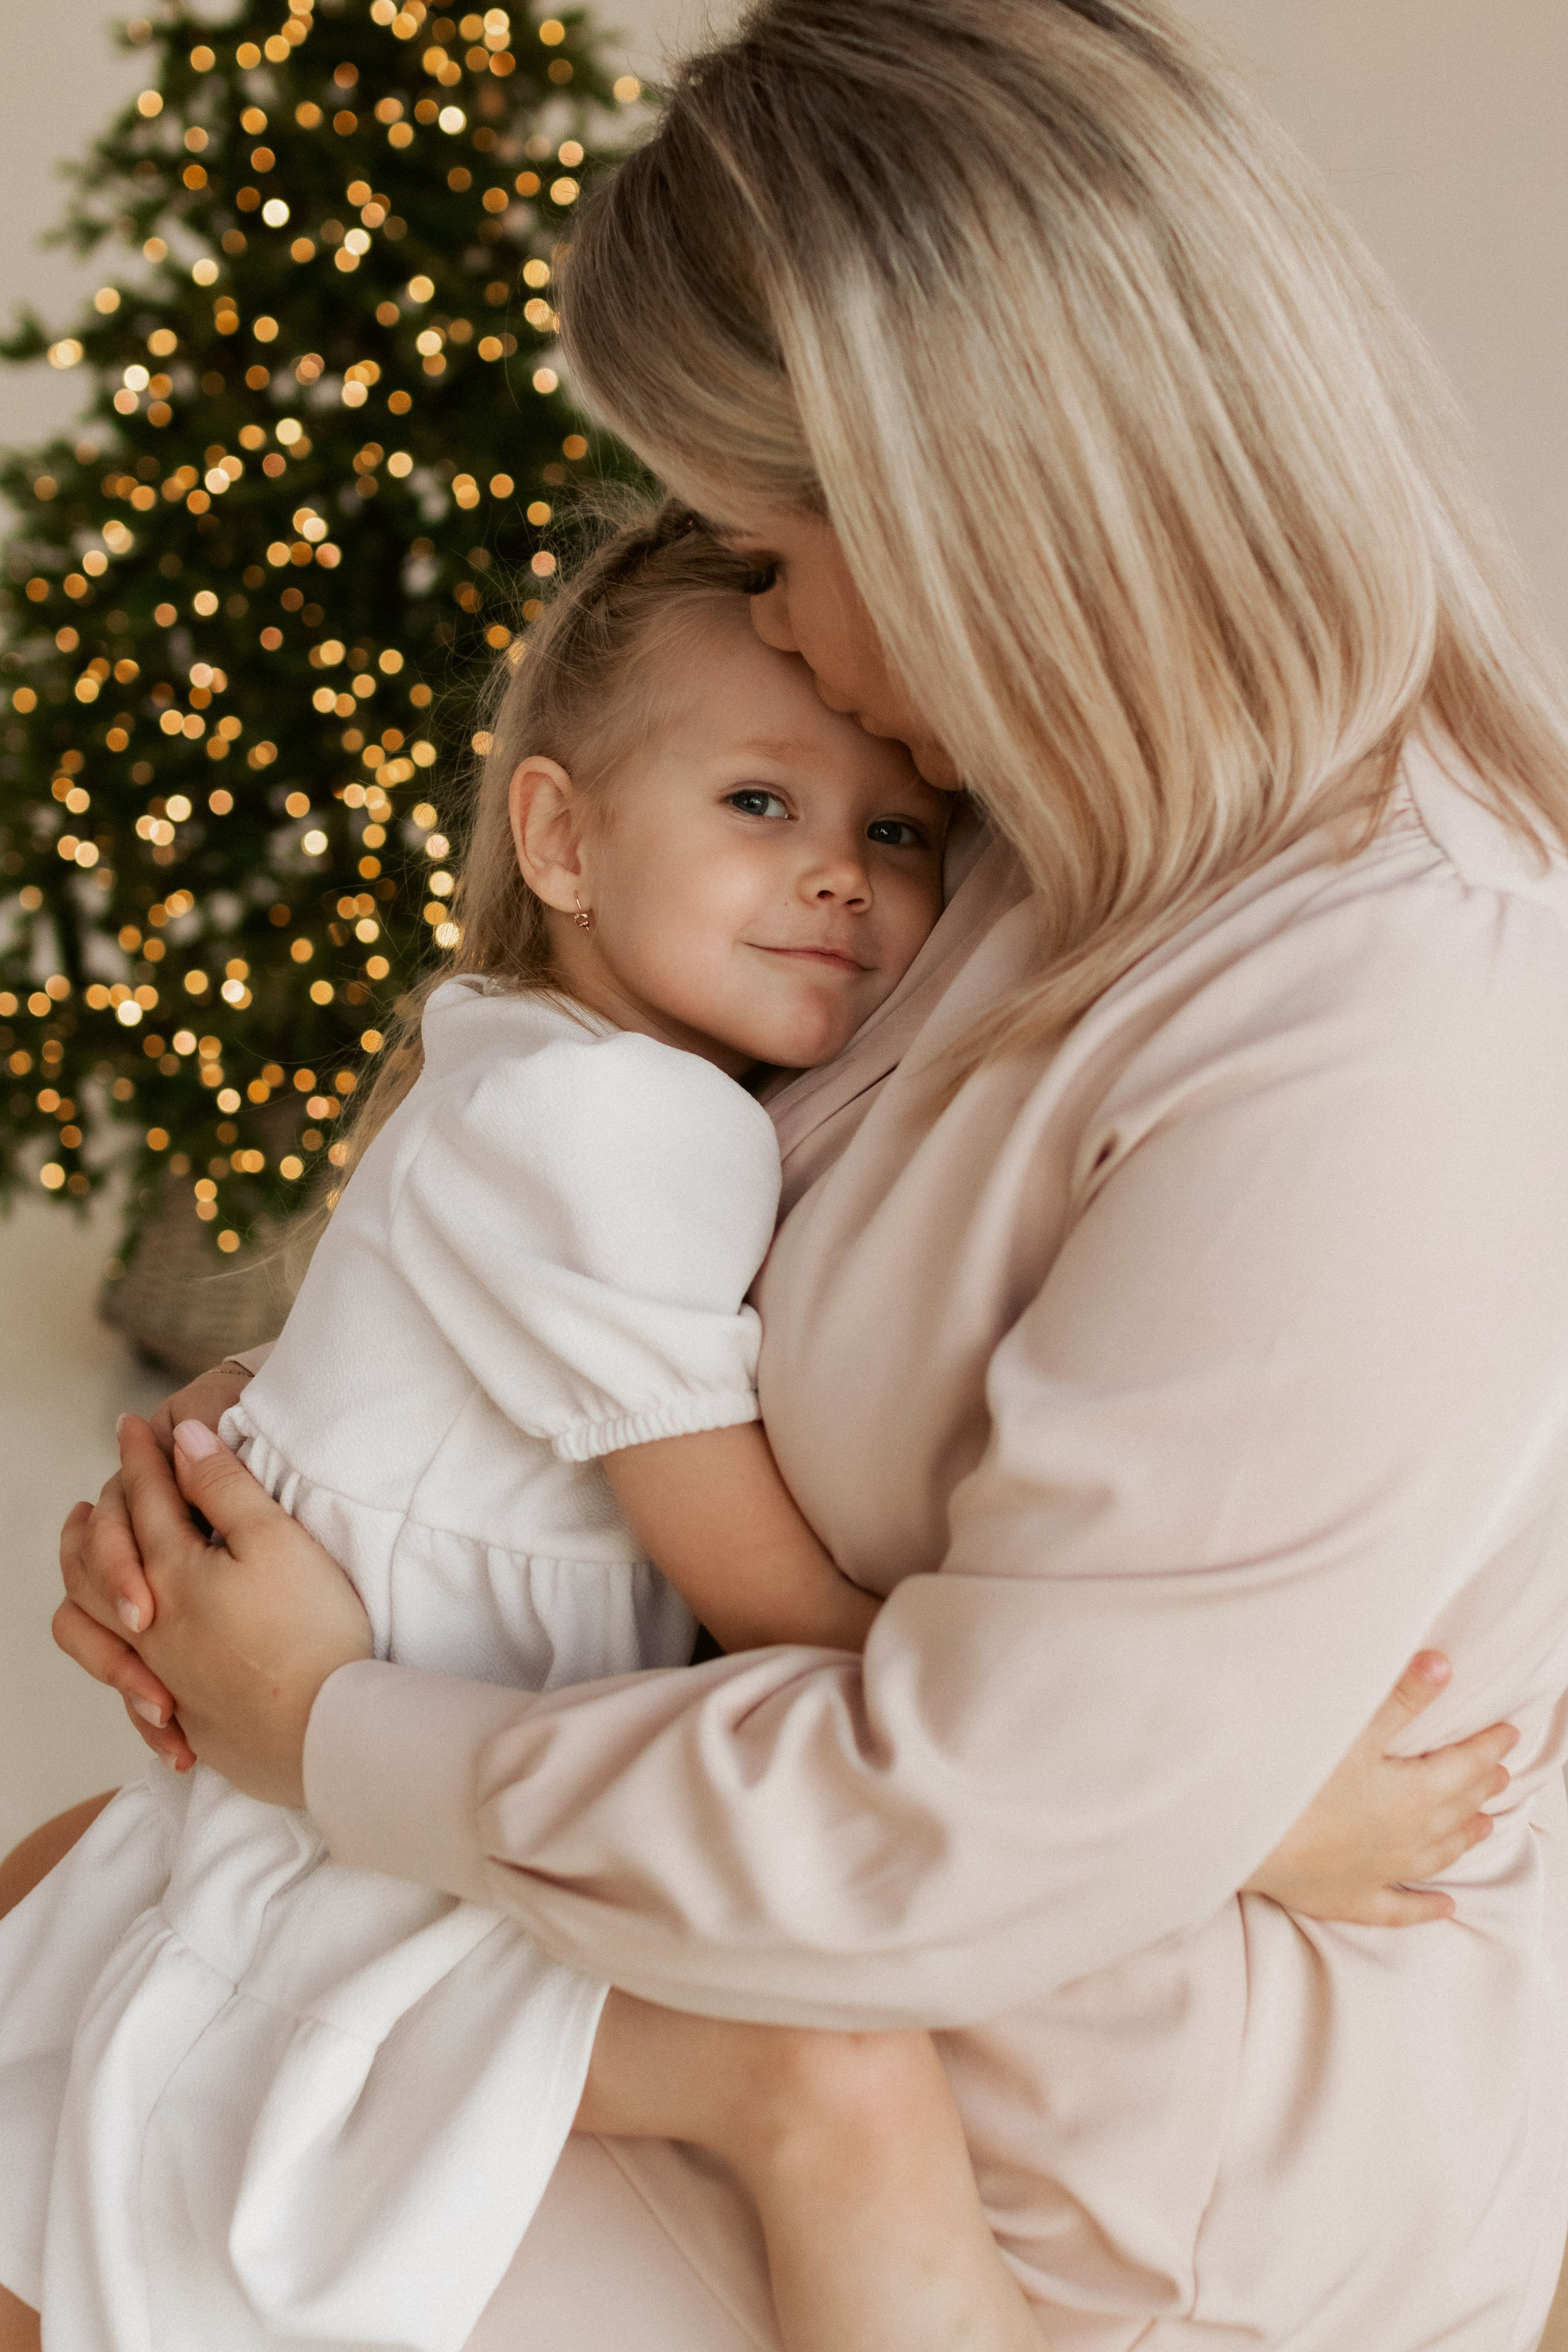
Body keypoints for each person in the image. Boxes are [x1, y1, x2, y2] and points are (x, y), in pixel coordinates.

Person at [20, 0, 1568, 2344]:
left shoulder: (1386, 1019)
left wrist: (327, 1730)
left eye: (773, 545)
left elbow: (972, 1820)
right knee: (57, 1938)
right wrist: (318, 1449)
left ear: (984, 503)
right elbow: (694, 1276)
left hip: (1088, 2161)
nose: (782, 639)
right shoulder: (1036, 834)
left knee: (75, 2151)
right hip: (839, 1958)